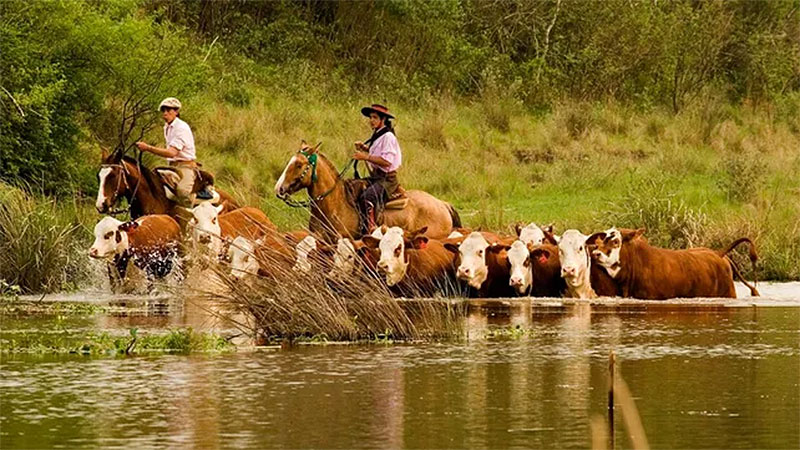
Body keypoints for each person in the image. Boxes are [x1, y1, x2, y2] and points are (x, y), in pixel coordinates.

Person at [135, 97, 213, 205]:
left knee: (182, 192)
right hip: (172, 166)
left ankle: (190, 214)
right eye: (163, 110)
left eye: (169, 110)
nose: (165, 113)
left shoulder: (181, 127)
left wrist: (148, 148)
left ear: (176, 111)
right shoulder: (166, 127)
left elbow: (172, 153)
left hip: (186, 166)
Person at [353, 104, 403, 232]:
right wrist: (365, 149)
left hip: (387, 179)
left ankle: (370, 228)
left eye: (375, 117)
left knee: (367, 197)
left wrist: (365, 157)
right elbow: (379, 154)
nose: (371, 120)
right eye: (371, 117)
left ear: (383, 119)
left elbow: (386, 161)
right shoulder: (379, 134)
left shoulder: (388, 137)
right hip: (377, 177)